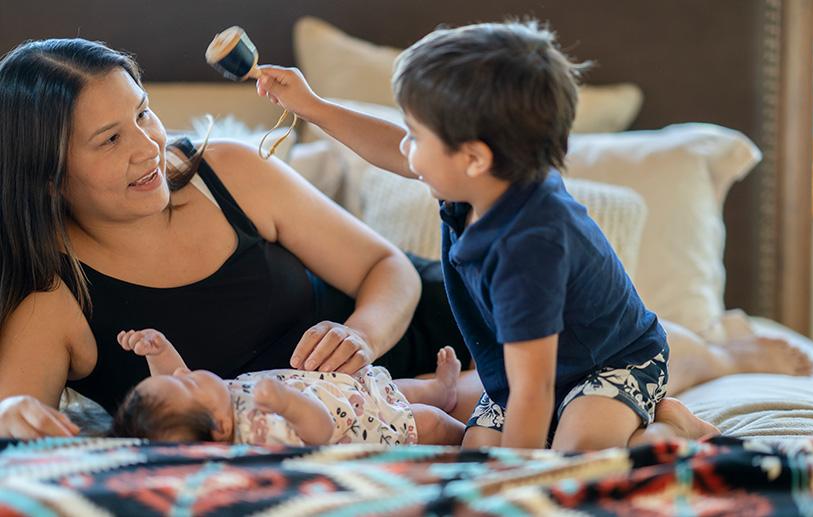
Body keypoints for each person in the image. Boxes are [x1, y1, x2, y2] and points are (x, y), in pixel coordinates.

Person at [254, 20, 724, 452]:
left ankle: (666, 424)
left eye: (416, 135)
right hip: (517, 374)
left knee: (576, 455)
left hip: (608, 364)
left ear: (474, 157)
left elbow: (535, 391)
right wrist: (312, 107)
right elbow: (392, 149)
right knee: (474, 452)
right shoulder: (481, 182)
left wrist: (508, 488)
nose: (406, 147)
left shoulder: (530, 245)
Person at [0, 37, 472, 439]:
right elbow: (14, 420)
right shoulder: (53, 297)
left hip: (446, 326)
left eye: (143, 114)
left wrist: (362, 336)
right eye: (109, 140)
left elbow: (387, 267)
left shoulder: (228, 172)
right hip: (373, 423)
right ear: (49, 178)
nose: (149, 148)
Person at [110, 329, 465, 445]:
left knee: (398, 388)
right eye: (186, 385)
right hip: (367, 424)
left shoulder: (216, 402)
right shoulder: (257, 431)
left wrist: (156, 350)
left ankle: (440, 389)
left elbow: (172, 376)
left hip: (350, 390)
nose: (183, 373)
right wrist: (286, 403)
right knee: (427, 419)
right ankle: (474, 440)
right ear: (219, 427)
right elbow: (320, 431)